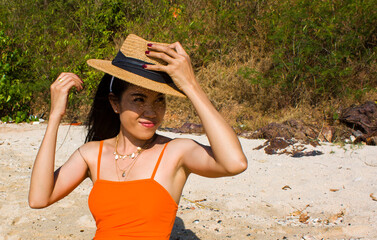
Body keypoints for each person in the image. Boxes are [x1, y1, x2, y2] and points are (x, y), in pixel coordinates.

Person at [28, 34, 247, 239]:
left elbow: (234, 163)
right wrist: (55, 115)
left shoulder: (175, 153)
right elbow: (39, 198)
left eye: (159, 100)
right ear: (115, 103)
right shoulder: (91, 154)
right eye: (139, 99)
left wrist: (191, 86)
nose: (151, 112)